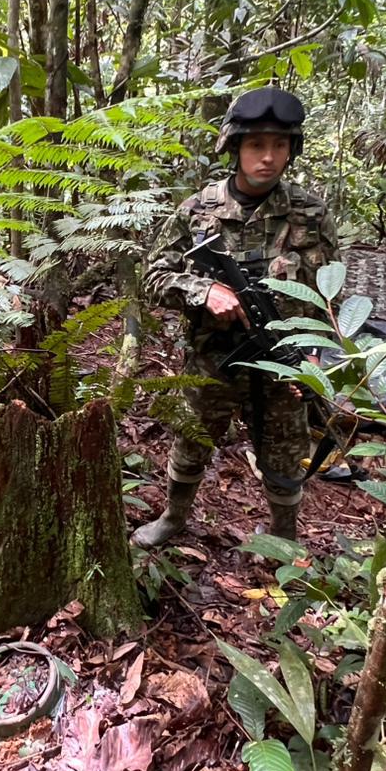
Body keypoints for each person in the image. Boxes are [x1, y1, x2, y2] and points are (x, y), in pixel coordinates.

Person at [136, 87, 339, 545]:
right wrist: (201, 289)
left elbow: (330, 293)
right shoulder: (197, 211)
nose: (268, 157)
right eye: (256, 145)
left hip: (283, 361)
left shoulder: (310, 214)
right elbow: (152, 277)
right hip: (212, 359)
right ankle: (174, 518)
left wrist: (316, 352)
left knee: (285, 457)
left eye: (279, 146)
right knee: (191, 444)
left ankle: (284, 539)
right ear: (234, 148)